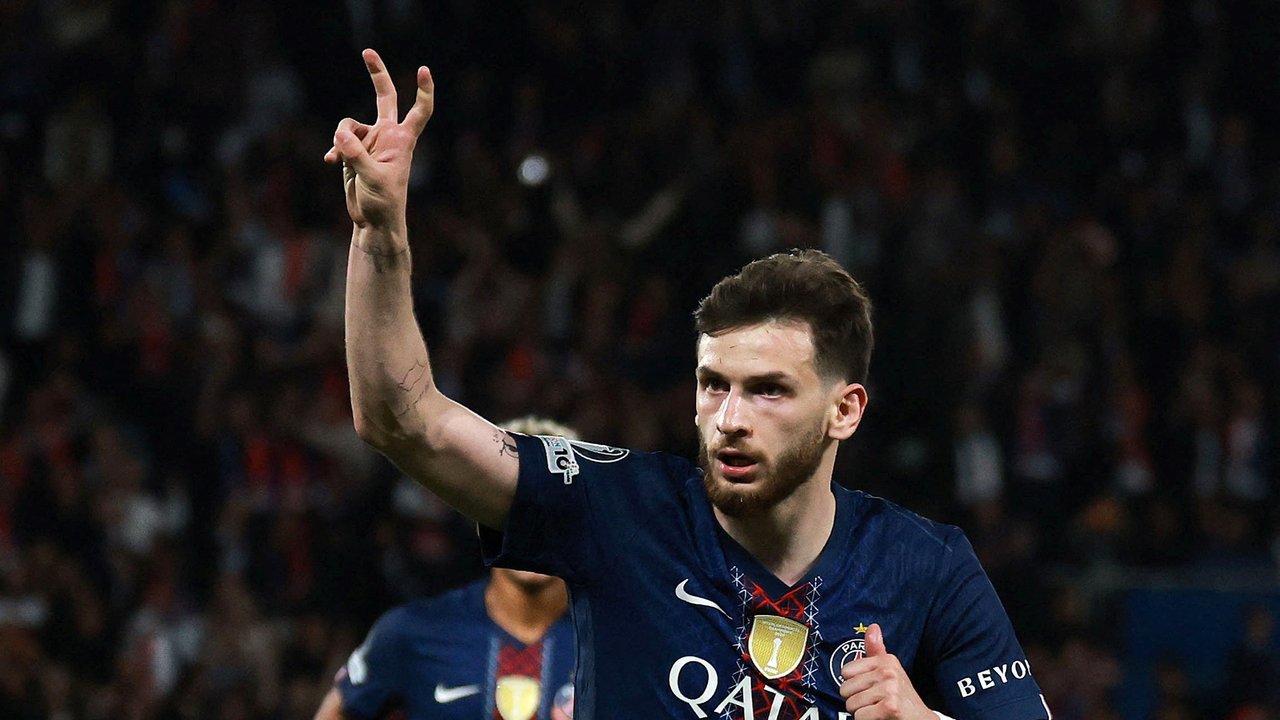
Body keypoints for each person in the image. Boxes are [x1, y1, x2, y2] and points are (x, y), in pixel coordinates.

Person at [325, 48, 1051, 720]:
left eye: (769, 390)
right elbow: (404, 420)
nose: (729, 418)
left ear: (845, 409)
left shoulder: (927, 566)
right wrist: (380, 232)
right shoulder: (616, 509)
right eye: (713, 385)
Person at [313, 418, 578, 720]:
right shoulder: (413, 631)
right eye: (512, 504)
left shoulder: (613, 640)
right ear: (479, 514)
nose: (532, 527)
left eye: (552, 507)